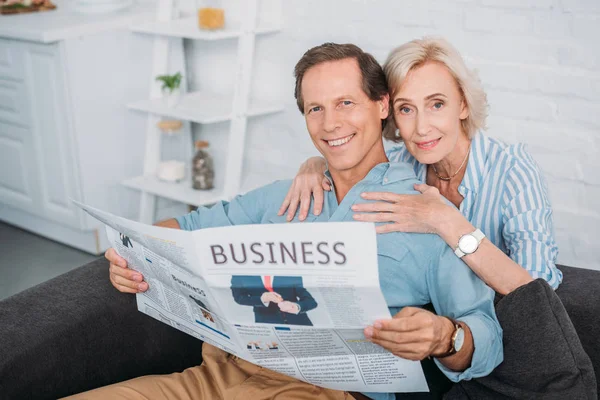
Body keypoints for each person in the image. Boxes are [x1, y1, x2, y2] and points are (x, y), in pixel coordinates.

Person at [88, 42, 503, 400]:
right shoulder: (283, 196)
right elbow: (185, 229)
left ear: (381, 106)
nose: (330, 124)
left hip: (325, 390)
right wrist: (129, 254)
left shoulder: (425, 215)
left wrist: (444, 336)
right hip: (214, 377)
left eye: (345, 103)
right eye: (315, 109)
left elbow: (487, 335)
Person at [280, 37, 561, 295]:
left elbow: (539, 289)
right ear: (389, 110)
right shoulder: (400, 164)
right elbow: (351, 159)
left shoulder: (513, 171)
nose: (422, 128)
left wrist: (446, 221)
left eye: (436, 104)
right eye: (406, 109)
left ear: (462, 104)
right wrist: (315, 164)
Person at [231, 275, 317, 326]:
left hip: (299, 323)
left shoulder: (289, 271)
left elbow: (311, 301)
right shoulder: (240, 274)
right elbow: (239, 298)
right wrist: (262, 299)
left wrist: (296, 306)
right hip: (267, 324)